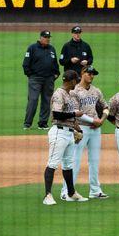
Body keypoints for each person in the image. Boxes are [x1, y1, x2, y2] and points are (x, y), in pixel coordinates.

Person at [42, 70, 89, 205]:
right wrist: (74, 114)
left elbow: (68, 115)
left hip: (68, 133)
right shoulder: (59, 94)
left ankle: (71, 193)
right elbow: (57, 114)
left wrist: (77, 128)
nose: (77, 82)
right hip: (59, 132)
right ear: (72, 81)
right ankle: (47, 195)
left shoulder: (69, 94)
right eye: (76, 80)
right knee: (53, 163)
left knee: (68, 164)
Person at [66, 67, 108, 200]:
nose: (91, 76)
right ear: (82, 74)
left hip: (95, 130)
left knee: (94, 160)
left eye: (93, 74)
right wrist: (93, 120)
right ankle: (67, 191)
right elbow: (76, 111)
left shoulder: (96, 91)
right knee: (74, 161)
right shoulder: (74, 91)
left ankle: (95, 190)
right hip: (80, 129)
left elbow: (106, 107)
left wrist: (101, 119)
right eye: (89, 73)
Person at [22, 30, 60, 129]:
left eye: (49, 38)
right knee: (33, 100)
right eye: (46, 37)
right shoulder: (32, 48)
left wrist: (56, 73)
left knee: (47, 101)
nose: (48, 39)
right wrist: (30, 75)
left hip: (49, 79)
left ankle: (42, 123)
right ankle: (27, 123)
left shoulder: (51, 49)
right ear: (41, 38)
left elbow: (55, 63)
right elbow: (26, 63)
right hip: (36, 78)